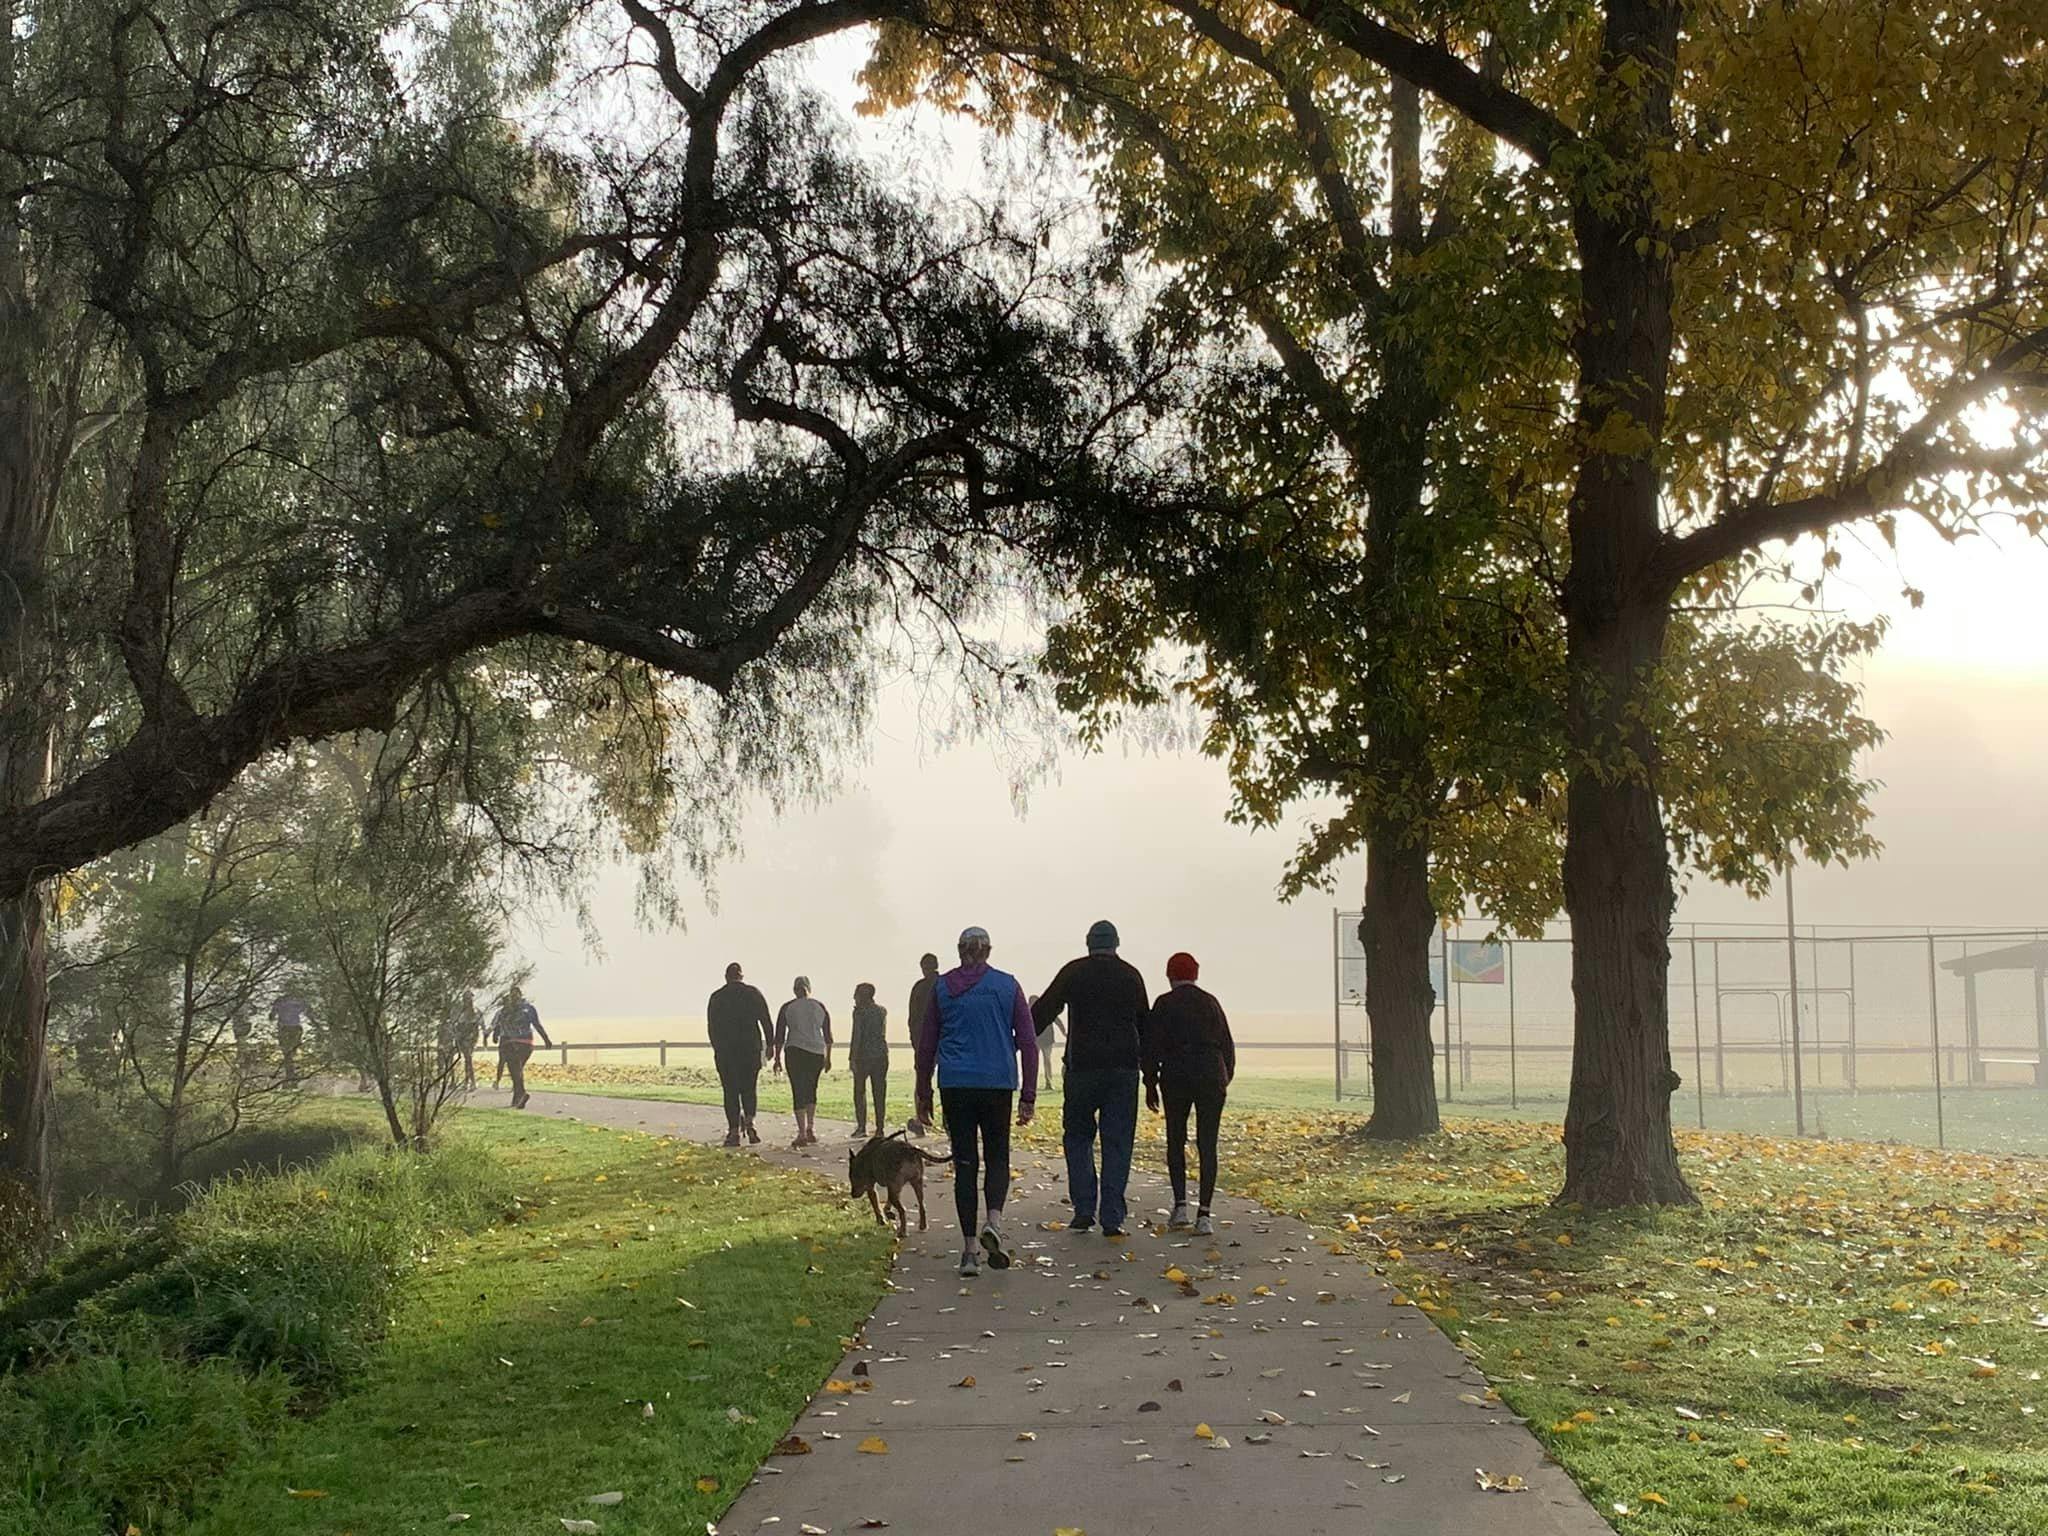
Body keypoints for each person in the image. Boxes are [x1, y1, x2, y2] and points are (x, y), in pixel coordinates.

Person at [915, 926, 1038, 1278]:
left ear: (959, 950)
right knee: (997, 1156)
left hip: (956, 1085)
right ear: (988, 951)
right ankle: (993, 1222)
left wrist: (924, 1091)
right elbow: (1028, 1043)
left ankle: (969, 1252)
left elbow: (927, 1044)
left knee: (965, 1164)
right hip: (997, 1083)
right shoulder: (1008, 986)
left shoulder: (942, 988)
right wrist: (1028, 1095)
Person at [1032, 920, 1148, 1238]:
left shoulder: (1074, 972)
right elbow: (1144, 1024)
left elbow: (1043, 1011)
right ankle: (1112, 1216)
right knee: (1118, 1141)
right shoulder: (1131, 976)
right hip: (1123, 1069)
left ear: (1088, 943)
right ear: (1116, 944)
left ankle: (1084, 1209)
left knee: (1078, 1137)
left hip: (1082, 1068)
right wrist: (1150, 1073)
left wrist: (1018, 1038)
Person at [1143, 952, 1236, 1236]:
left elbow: (1151, 1046)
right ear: (1196, 974)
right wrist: (1225, 1077)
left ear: (1169, 975)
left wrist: (1150, 1082)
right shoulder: (1210, 1003)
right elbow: (1227, 1045)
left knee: (1176, 1139)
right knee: (1208, 1144)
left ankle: (1181, 1205)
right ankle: (1205, 1214)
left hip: (1177, 1074)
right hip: (1210, 1073)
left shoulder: (1164, 1004)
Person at [708, 962, 774, 1147]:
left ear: (726, 977)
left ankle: (734, 1131)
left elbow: (712, 1027)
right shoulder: (753, 993)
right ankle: (750, 1123)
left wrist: (717, 1048)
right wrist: (770, 1045)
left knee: (730, 1091)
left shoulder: (717, 997)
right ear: (741, 976)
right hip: (750, 1049)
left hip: (726, 1051)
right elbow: (766, 1020)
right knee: (749, 1088)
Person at [774, 977, 832, 1148]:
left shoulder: (787, 1007)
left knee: (798, 1090)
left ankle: (801, 1133)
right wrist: (828, 1057)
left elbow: (779, 1036)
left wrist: (777, 1058)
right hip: (816, 1052)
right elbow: (828, 1036)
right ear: (809, 989)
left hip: (795, 1050)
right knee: (811, 1088)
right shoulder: (819, 1006)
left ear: (795, 990)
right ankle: (810, 1128)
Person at [489, 985, 551, 1109]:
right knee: (517, 1070)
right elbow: (537, 1025)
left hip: (511, 1043)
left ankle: (521, 1094)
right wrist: (546, 1039)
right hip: (527, 1043)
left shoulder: (507, 1010)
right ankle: (517, 1098)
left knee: (515, 1071)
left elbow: (499, 1025)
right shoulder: (528, 1008)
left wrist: (495, 1035)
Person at [849, 982, 889, 1137]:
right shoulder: (882, 1011)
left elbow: (857, 1035)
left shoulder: (859, 1013)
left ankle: (861, 1127)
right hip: (881, 1055)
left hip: (863, 1056)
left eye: (856, 994)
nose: (854, 997)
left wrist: (852, 1058)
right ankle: (880, 1128)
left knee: (859, 1092)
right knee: (879, 1092)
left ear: (862, 996)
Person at [269, 994, 310, 1085]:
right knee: (290, 1052)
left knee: (287, 1052)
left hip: (286, 1028)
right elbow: (307, 1012)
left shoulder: (280, 1001)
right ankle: (291, 1073)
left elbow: (272, 1016)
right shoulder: (298, 1000)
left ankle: (291, 1073)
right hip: (295, 1028)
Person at [450, 992, 482, 1089]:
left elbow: (477, 1027)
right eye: (465, 999)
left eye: (469, 999)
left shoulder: (476, 1011)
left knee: (468, 1058)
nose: (467, 1001)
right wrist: (457, 1034)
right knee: (454, 1057)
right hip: (461, 1036)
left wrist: (473, 1038)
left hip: (470, 1037)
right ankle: (455, 1080)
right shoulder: (459, 1012)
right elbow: (455, 1024)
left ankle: (471, 1081)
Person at [1033, 996, 1062, 1091]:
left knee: (1046, 1060)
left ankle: (1048, 1082)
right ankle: (1035, 1082)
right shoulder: (1030, 1012)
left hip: (1046, 1040)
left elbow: (1057, 1021)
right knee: (1037, 1061)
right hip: (1037, 1040)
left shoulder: (1045, 1010)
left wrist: (1063, 1031)